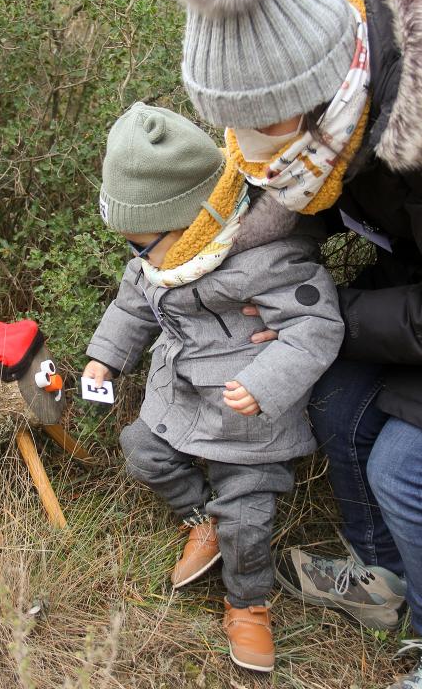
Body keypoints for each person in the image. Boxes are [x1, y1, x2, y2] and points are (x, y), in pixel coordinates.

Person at [158, 0, 422, 689]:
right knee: (332, 400)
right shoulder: (323, 53)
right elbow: (299, 195)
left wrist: (327, 319)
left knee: (407, 467)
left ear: (325, 94)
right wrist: (206, 266)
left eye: (261, 124)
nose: (250, 147)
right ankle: (382, 573)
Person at [83, 101, 344, 671]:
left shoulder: (268, 259)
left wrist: (265, 382)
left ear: (195, 217)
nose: (137, 256)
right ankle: (203, 520)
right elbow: (136, 296)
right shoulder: (161, 256)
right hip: (179, 395)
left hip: (247, 414)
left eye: (141, 243)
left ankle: (248, 605)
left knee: (249, 514)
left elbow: (316, 325)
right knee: (141, 451)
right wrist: (106, 358)